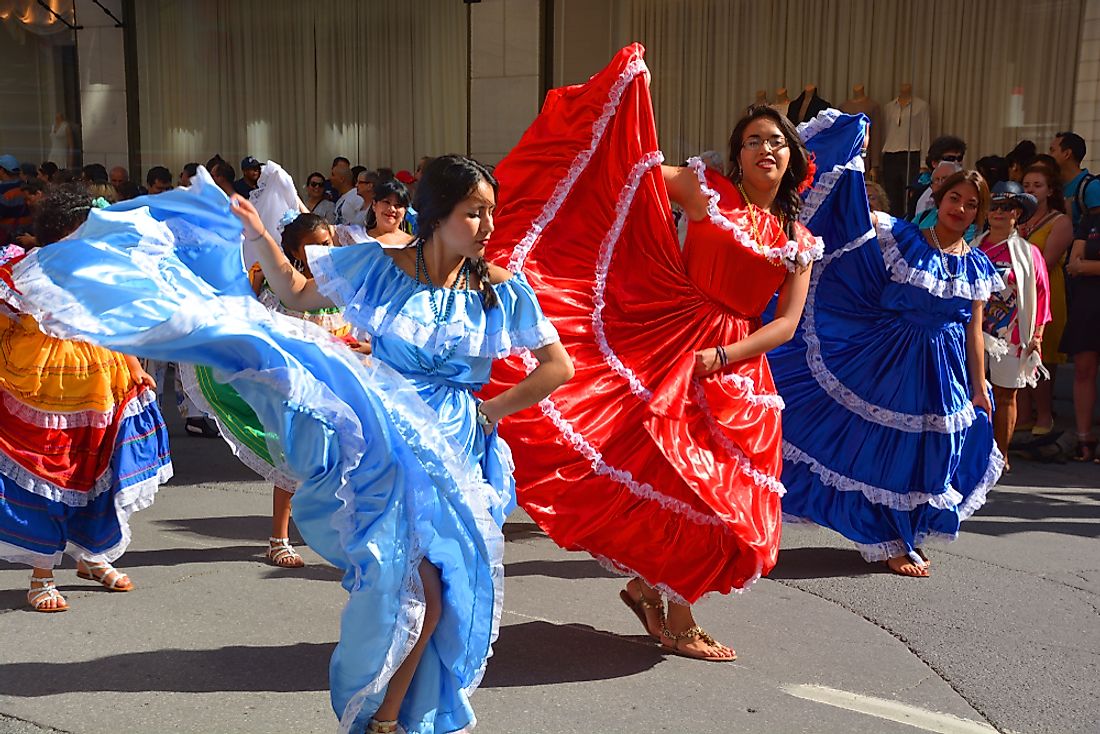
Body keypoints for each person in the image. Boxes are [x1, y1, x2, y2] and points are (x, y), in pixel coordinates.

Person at [484, 45, 822, 661]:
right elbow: (627, 174)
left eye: (775, 140)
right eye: (751, 140)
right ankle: (681, 615)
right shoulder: (705, 191)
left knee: (729, 500)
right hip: (669, 337)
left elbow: (787, 325)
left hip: (736, 365)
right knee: (680, 478)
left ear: (793, 158)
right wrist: (619, 107)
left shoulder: (798, 239)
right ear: (737, 154)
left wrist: (722, 359)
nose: (764, 149)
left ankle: (649, 588)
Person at [240, 154, 573, 731]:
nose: (489, 226)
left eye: (492, 212)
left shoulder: (499, 288)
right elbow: (295, 293)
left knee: (442, 593)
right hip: (389, 446)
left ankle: (391, 718)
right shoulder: (380, 265)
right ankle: (381, 717)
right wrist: (261, 234)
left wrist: (490, 410)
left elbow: (557, 366)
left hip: (458, 454)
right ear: (438, 213)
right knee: (406, 589)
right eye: (475, 213)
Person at [769, 117, 1004, 583]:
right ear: (938, 200)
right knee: (888, 450)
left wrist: (979, 386)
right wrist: (855, 159)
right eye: (954, 197)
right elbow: (849, 227)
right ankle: (888, 538)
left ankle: (906, 531)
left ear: (979, 213)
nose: (960, 207)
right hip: (891, 361)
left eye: (971, 204)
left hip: (945, 369)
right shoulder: (903, 239)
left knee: (933, 451)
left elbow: (973, 330)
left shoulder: (978, 265)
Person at [0, 184, 172, 612]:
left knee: (99, 472)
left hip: (102, 384)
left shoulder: (106, 270)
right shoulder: (27, 268)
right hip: (40, 389)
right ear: (64, 229)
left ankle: (92, 556)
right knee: (50, 474)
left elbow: (116, 324)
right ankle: (42, 574)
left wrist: (134, 368)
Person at [183, 212, 358, 569]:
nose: (323, 252)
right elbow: (260, 332)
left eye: (327, 245)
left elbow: (353, 329)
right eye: (313, 248)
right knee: (292, 460)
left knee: (344, 459)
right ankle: (279, 538)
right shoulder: (280, 289)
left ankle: (341, 531)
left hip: (338, 383)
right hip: (297, 386)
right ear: (294, 252)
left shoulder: (342, 284)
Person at [975, 182, 1050, 470]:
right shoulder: (974, 246)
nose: (998, 212)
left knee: (1006, 395)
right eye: (993, 206)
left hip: (1013, 333)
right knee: (973, 391)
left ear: (1016, 213)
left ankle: (1000, 454)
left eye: (1006, 207)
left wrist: (1038, 336)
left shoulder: (1029, 254)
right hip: (976, 332)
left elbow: (1041, 296)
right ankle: (975, 451)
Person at [1017, 163, 1073, 435]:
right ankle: (1024, 416)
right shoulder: (1016, 218)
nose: (1030, 190)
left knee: (1041, 356)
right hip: (1016, 295)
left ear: (1050, 190)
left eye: (1037, 185)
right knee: (1017, 353)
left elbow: (1047, 262)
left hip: (1045, 294)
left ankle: (1045, 418)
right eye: (1026, 185)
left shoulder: (1059, 221)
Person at [1060, 203, 1100, 461]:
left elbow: (1081, 264)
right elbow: (1072, 264)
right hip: (1088, 303)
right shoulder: (1091, 218)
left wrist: (1086, 265)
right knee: (1084, 369)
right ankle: (1084, 438)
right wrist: (1084, 266)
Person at [905, 135, 967, 218]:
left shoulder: (967, 188)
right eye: (950, 158)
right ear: (934, 163)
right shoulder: (919, 188)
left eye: (959, 158)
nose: (956, 162)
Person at [1050, 131, 1100, 226]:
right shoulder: (1053, 185)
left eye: (1052, 150)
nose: (1049, 155)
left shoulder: (1091, 187)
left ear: (1067, 154)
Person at [365, 177, 412, 244]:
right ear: (374, 204)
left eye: (398, 205)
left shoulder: (413, 245)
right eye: (386, 202)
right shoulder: (355, 238)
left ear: (405, 211)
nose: (392, 209)